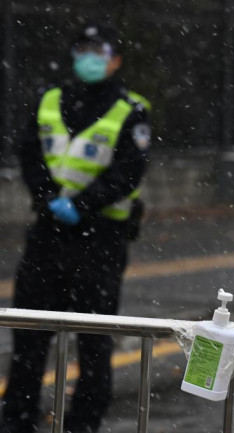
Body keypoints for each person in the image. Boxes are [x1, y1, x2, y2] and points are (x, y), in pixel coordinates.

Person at [1, 22, 151, 433]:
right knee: (29, 335)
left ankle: (84, 424)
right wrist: (50, 198)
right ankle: (17, 420)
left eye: (98, 51)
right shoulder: (50, 99)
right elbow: (29, 151)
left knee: (94, 337)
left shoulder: (131, 108)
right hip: (49, 233)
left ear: (115, 60)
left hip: (101, 239)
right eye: (82, 49)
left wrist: (82, 205)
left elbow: (128, 171)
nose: (89, 58)